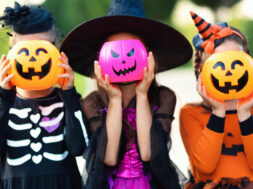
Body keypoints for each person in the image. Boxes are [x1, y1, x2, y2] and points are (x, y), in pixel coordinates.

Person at [61, 0, 192, 188]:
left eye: (131, 52)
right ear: (101, 59)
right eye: (114, 53)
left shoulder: (163, 96)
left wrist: (142, 95)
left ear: (148, 55)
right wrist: (114, 99)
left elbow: (148, 153)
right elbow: (109, 157)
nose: (123, 59)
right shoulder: (93, 102)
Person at [0, 2, 88, 189]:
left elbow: (79, 147)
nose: (35, 60)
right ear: (11, 55)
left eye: (43, 50)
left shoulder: (68, 100)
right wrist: (4, 97)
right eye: (26, 52)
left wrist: (69, 95)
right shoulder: (5, 103)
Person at [180, 11, 253, 188]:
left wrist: (244, 114)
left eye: (236, 62)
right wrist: (218, 112)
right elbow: (204, 168)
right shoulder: (190, 113)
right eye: (218, 65)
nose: (228, 73)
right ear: (201, 71)